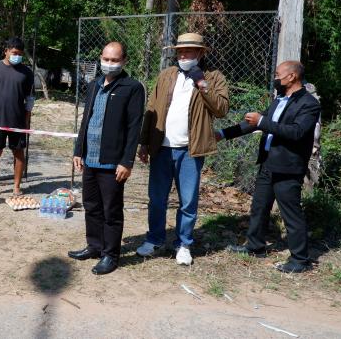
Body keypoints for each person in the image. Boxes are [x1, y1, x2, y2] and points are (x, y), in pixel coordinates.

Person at [219, 61, 321, 273]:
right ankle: (255, 247)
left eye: (277, 74)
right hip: (268, 163)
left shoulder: (309, 104)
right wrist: (222, 134)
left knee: (291, 213)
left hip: (288, 168)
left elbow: (296, 132)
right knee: (259, 207)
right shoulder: (279, 99)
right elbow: (254, 123)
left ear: (292, 76)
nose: (275, 77)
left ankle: (300, 260)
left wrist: (262, 121)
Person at [137, 32, 229, 265]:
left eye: (188, 51)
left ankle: (184, 244)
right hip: (162, 148)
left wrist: (202, 84)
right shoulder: (166, 75)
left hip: (190, 150)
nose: (183, 55)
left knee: (188, 201)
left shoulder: (214, 77)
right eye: (180, 51)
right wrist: (144, 142)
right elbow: (151, 109)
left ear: (200, 53)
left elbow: (221, 109)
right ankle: (155, 239)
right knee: (157, 199)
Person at [68, 42, 144, 275]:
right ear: (101, 58)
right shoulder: (94, 84)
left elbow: (134, 127)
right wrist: (78, 150)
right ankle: (95, 246)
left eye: (115, 60)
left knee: (111, 209)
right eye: (106, 59)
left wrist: (127, 161)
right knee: (91, 205)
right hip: (90, 158)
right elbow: (86, 120)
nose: (109, 64)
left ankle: (110, 255)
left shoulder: (132, 88)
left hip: (112, 161)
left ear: (124, 61)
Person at [0, 37, 34, 199]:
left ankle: (16, 187)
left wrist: (26, 120)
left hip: (18, 121)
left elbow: (30, 100)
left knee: (19, 154)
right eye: (14, 53)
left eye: (20, 54)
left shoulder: (27, 72)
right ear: (6, 51)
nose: (17, 56)